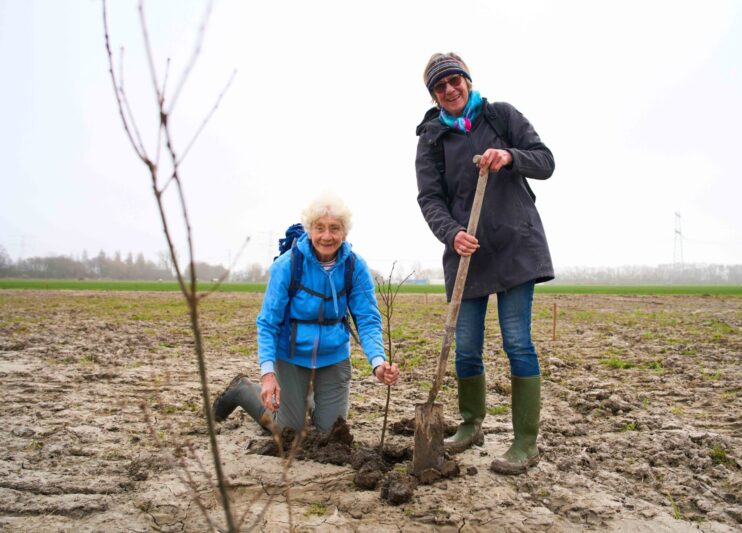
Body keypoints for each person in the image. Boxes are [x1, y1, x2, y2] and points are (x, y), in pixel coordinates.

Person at [415, 53, 555, 475]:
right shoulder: (431, 137)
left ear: (467, 81)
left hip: (515, 244)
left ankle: (525, 443)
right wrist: (451, 233)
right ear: (435, 96)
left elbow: (545, 160)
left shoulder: (501, 116)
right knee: (467, 347)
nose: (450, 89)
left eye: (455, 80)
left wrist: (510, 156)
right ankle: (472, 424)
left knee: (517, 341)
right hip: (466, 252)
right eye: (440, 87)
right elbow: (429, 198)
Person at [214, 193, 399, 433]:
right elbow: (268, 324)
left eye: (334, 228)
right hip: (291, 356)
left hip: (333, 356)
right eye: (319, 228)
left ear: (344, 233)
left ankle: (308, 399)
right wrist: (268, 375)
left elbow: (367, 318)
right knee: (288, 431)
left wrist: (378, 362)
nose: (327, 236)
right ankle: (242, 390)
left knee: (332, 434)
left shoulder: (355, 266)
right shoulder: (287, 265)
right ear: (309, 230)